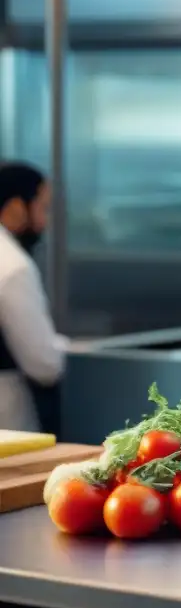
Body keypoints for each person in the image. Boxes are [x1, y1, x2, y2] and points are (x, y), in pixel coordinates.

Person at [0, 161, 64, 431]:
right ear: (16, 208)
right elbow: (44, 364)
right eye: (43, 207)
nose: (45, 221)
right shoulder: (12, 265)